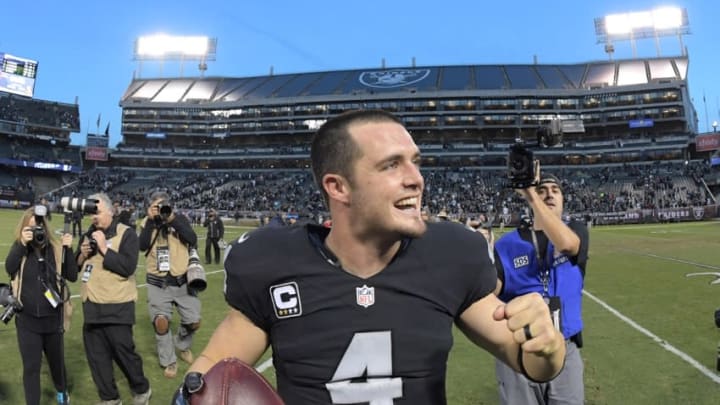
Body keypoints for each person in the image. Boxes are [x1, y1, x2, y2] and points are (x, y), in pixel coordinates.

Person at [173, 110, 566, 405]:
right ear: (338, 186)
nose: (416, 177)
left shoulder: (450, 254)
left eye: (415, 161)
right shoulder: (274, 263)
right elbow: (212, 368)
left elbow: (527, 360)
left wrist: (547, 346)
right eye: (391, 164)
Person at [493, 171, 589, 405]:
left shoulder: (576, 230)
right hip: (519, 350)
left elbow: (567, 245)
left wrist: (532, 195)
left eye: (555, 191)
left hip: (564, 346)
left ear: (563, 199)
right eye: (542, 190)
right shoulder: (506, 244)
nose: (549, 195)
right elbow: (491, 291)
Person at [75, 192, 152, 405]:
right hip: (91, 307)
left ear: (110, 210)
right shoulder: (89, 234)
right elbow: (73, 269)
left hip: (117, 307)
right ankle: (109, 398)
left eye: (97, 211)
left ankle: (141, 388)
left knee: (124, 354)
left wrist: (103, 248)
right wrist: (81, 255)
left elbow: (127, 268)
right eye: (91, 213)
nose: (93, 217)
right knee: (97, 360)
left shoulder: (126, 233)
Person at [5, 206, 78, 405]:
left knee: (57, 364)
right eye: (30, 228)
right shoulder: (20, 249)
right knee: (31, 368)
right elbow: (9, 268)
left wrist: (68, 249)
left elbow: (71, 275)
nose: (36, 232)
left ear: (45, 228)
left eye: (39, 227)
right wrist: (21, 243)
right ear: (23, 229)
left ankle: (62, 392)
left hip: (53, 321)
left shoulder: (54, 249)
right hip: (27, 321)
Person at [139, 191, 201, 379]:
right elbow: (141, 246)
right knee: (161, 322)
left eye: (163, 205)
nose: (160, 209)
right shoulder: (145, 223)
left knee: (194, 322)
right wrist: (151, 220)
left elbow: (192, 239)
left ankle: (182, 345)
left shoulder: (179, 219)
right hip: (158, 283)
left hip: (182, 282)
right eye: (156, 206)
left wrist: (172, 219)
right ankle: (169, 360)